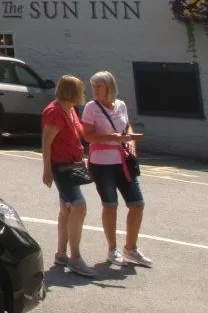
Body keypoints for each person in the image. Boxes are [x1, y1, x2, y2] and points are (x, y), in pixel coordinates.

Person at [83, 70, 151, 267]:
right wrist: (112, 138)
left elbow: (127, 127)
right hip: (101, 164)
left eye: (99, 86)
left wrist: (130, 143)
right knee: (110, 206)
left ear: (109, 87)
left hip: (123, 162)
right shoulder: (90, 108)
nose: (95, 90)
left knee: (137, 204)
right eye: (93, 86)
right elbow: (87, 135)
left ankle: (131, 249)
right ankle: (113, 250)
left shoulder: (120, 105)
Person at [42, 75, 97, 277]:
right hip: (61, 167)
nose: (84, 94)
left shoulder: (70, 109)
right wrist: (46, 170)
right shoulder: (55, 112)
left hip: (70, 166)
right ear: (72, 93)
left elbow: (80, 133)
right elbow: (46, 142)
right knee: (78, 207)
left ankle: (61, 254)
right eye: (81, 91)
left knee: (66, 208)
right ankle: (75, 258)